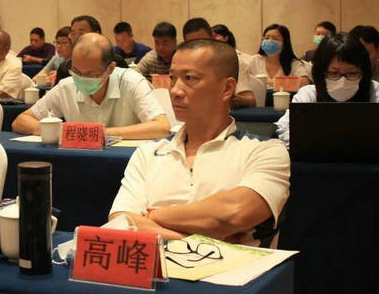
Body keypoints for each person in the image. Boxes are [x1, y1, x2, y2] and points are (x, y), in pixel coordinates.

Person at [108, 39, 290, 247]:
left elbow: (235, 213)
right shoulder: (149, 152)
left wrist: (153, 215)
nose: (175, 90)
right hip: (161, 266)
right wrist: (194, 240)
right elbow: (121, 221)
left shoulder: (265, 150)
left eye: (190, 78)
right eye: (172, 78)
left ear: (227, 88)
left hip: (235, 268)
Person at [12, 33, 169, 140]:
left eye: (90, 74)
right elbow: (21, 121)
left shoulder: (132, 82)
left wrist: (100, 133)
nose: (81, 78)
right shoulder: (67, 86)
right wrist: (63, 132)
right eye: (76, 71)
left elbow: (161, 127)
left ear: (110, 68)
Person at [275, 33, 379, 147]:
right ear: (321, 72)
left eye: (352, 73)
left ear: (363, 72)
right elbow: (285, 126)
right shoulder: (309, 93)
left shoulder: (374, 90)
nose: (343, 80)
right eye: (334, 73)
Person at [55, 15, 128, 84]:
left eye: (81, 33)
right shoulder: (65, 68)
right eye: (73, 34)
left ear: (96, 34)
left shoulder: (115, 61)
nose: (76, 38)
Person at [208, 24, 256, 107]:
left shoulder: (236, 61)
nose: (211, 42)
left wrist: (235, 98)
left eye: (214, 37)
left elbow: (251, 100)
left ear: (225, 38)